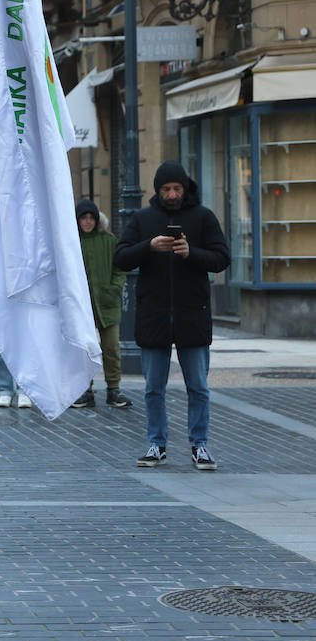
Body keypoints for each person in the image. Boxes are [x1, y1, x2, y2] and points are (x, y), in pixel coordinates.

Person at [115, 161, 230, 471]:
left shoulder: (203, 217)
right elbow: (121, 258)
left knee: (198, 386)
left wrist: (192, 253)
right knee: (153, 387)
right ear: (158, 190)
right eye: (166, 189)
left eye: (177, 188)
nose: (172, 194)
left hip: (192, 315)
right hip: (154, 315)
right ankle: (157, 444)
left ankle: (200, 445)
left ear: (185, 188)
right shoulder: (143, 218)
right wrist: (149, 247)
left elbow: (222, 258)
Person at [72, 199, 130, 409]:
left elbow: (120, 268)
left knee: (111, 348)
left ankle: (113, 389)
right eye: (83, 218)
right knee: (85, 350)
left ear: (96, 220)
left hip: (107, 304)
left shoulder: (109, 240)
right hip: (82, 306)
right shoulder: (71, 242)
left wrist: (114, 289)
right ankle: (85, 390)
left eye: (91, 218)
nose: (87, 222)